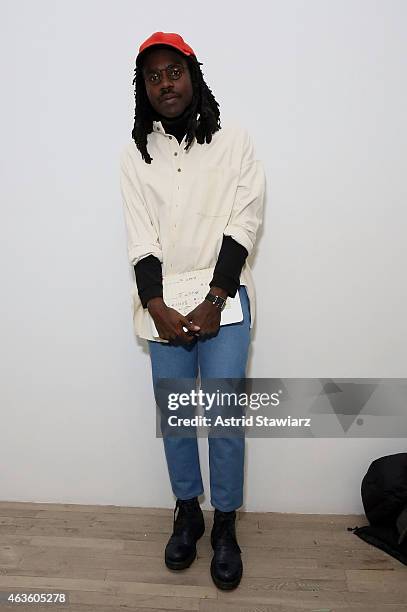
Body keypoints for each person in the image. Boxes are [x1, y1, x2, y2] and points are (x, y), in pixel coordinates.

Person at [119, 31, 266, 590]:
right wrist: (155, 305)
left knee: (225, 418)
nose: (164, 84)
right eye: (153, 77)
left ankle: (225, 524)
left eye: (172, 72)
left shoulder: (234, 140)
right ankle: (188, 513)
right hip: (163, 308)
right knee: (178, 420)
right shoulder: (136, 155)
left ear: (192, 74)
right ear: (144, 88)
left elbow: (244, 221)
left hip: (222, 301)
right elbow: (141, 239)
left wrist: (214, 299)